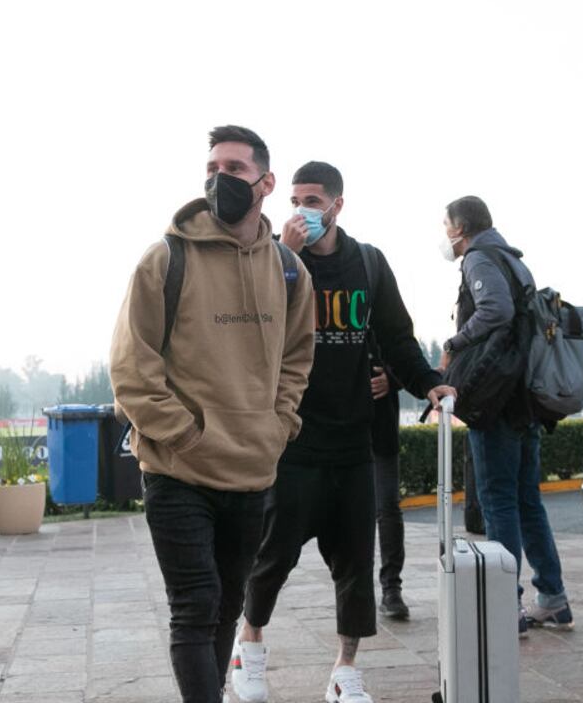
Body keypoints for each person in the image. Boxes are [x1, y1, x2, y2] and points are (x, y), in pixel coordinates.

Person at [231, 161, 454, 703]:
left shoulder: (368, 264)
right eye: (296, 200)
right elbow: (247, 323)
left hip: (353, 440)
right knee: (273, 555)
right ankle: (249, 646)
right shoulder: (277, 260)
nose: (304, 210)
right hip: (294, 440)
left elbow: (398, 337)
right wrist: (285, 254)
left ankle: (344, 670)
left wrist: (430, 383)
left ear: (337, 204)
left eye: (314, 200)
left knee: (356, 563)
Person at [109, 125, 316, 703]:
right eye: (213, 167)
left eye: (234, 169)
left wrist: (278, 426)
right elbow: (131, 365)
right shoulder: (165, 258)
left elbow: (299, 358)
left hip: (252, 468)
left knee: (227, 605)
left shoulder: (289, 270)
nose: (219, 179)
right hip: (179, 471)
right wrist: (186, 434)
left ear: (265, 183)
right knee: (195, 605)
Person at [437, 194, 573, 636]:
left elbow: (496, 310)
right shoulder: (513, 259)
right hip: (523, 398)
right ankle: (552, 599)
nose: (444, 235)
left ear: (460, 228)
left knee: (499, 502)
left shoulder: (479, 258)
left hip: (496, 398)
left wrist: (457, 343)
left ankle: (504, 605)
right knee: (527, 501)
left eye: (445, 226)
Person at [368, 364, 408, 620]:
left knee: (388, 508)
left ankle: (391, 588)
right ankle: (354, 588)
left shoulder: (386, 322)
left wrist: (391, 378)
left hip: (381, 428)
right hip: (335, 426)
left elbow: (408, 359)